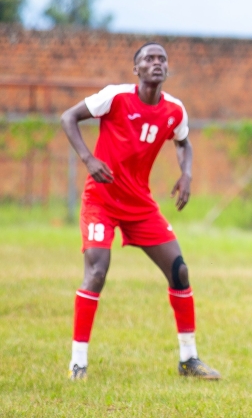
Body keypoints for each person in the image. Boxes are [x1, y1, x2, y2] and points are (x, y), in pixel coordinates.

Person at [60, 43, 220, 380]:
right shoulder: (116, 97)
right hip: (101, 199)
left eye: (162, 59)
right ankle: (78, 362)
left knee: (179, 271)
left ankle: (188, 360)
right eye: (149, 58)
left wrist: (186, 173)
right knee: (97, 271)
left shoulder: (175, 109)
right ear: (137, 69)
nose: (157, 63)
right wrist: (89, 159)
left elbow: (183, 142)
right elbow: (68, 117)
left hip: (140, 205)